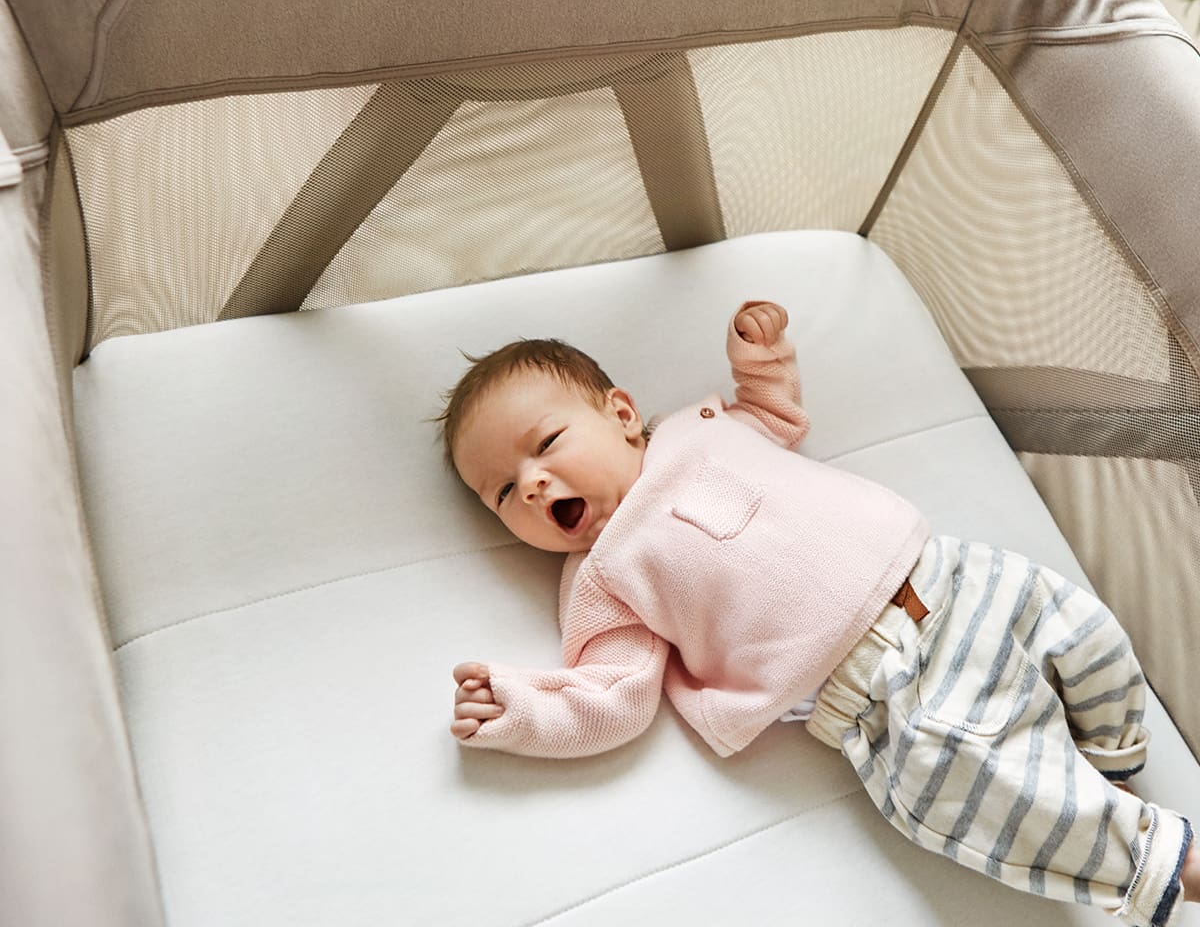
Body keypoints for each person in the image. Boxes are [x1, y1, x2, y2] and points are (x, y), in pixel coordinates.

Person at [440, 301, 1197, 926]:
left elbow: (775, 417)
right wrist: (523, 711)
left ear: (623, 413)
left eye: (546, 444)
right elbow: (615, 694)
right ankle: (1165, 862)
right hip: (887, 697)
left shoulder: (700, 428)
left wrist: (761, 360)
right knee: (969, 794)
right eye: (502, 492)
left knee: (1086, 632)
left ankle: (1111, 761)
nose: (531, 484)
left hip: (961, 578)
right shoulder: (601, 579)